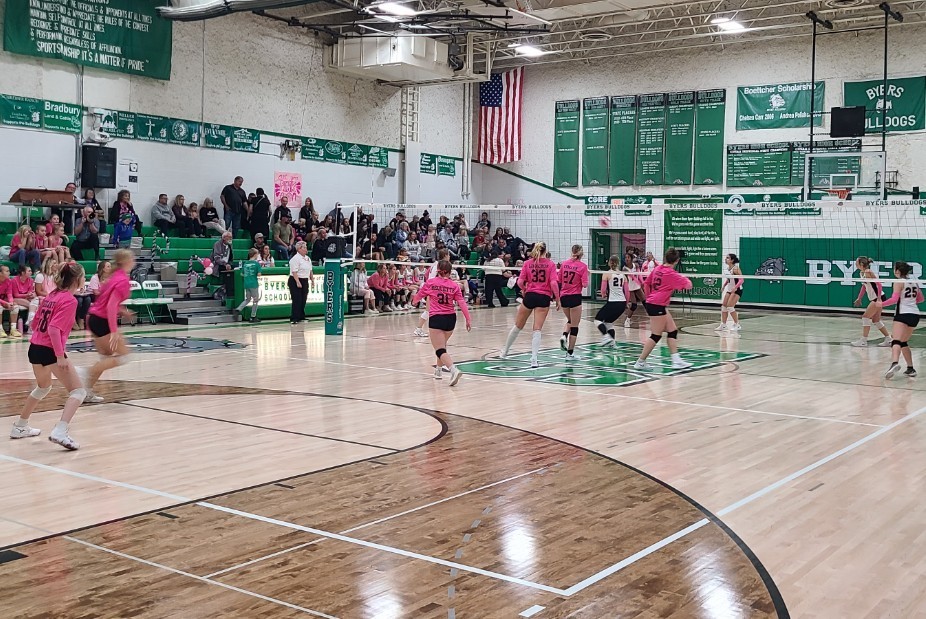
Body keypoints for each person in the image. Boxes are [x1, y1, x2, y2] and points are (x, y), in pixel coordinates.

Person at [9, 261, 87, 450]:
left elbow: (35, 322)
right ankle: (60, 431)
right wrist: (60, 356)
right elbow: (53, 329)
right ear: (77, 279)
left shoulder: (51, 295)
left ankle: (20, 426)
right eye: (84, 277)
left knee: (43, 387)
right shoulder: (69, 300)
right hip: (50, 350)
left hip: (35, 346)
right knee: (78, 392)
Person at [77, 249, 136, 404]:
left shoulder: (114, 277)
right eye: (132, 258)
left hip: (94, 318)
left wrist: (123, 312)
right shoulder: (122, 280)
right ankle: (85, 372)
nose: (134, 261)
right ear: (125, 261)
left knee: (105, 359)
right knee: (124, 356)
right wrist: (114, 331)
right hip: (102, 320)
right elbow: (110, 306)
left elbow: (108, 301)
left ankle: (85, 392)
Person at [500, 242, 560, 368]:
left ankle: (505, 352)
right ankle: (534, 359)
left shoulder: (527, 263)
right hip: (544, 297)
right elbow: (554, 283)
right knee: (537, 329)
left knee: (518, 326)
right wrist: (558, 299)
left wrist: (524, 290)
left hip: (530, 296)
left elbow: (520, 282)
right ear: (545, 251)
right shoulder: (550, 264)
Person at [633, 248, 694, 371]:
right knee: (656, 335)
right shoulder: (672, 274)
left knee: (672, 331)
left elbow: (646, 283)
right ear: (677, 260)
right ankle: (640, 362)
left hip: (656, 303)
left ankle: (676, 360)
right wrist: (683, 277)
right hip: (657, 305)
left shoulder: (657, 269)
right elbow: (689, 285)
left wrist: (649, 297)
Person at [413, 259, 471, 386]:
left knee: (439, 349)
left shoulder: (430, 283)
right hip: (451, 319)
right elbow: (461, 303)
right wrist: (468, 319)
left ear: (438, 270)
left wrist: (414, 301)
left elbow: (419, 295)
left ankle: (453, 370)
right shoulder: (454, 285)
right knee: (442, 346)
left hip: (437, 318)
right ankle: (438, 371)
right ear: (450, 272)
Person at [882, 261, 923, 379]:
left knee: (896, 341)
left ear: (898, 271)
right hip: (915, 314)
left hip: (903, 314)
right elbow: (920, 299)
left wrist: (881, 304)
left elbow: (894, 299)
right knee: (903, 342)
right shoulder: (914, 282)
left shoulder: (899, 281)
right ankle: (910, 368)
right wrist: (910, 302)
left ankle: (894, 363)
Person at [851, 256, 892, 348]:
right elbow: (864, 286)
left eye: (857, 262)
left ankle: (863, 341)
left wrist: (878, 298)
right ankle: (889, 339)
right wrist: (859, 298)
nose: (855, 263)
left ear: (861, 264)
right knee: (876, 320)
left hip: (878, 297)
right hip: (876, 298)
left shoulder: (868, 272)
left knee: (865, 317)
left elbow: (879, 284)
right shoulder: (861, 273)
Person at [558, 244, 590, 360]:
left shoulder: (564, 264)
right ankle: (570, 353)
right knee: (575, 326)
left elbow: (559, 280)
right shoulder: (583, 266)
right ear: (582, 254)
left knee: (570, 321)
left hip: (564, 296)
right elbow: (585, 285)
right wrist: (586, 276)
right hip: (575, 297)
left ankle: (564, 335)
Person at [595, 255, 629, 347]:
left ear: (609, 263)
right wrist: (626, 304)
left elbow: (603, 289)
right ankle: (612, 343)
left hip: (613, 302)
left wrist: (603, 294)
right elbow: (627, 292)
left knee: (597, 320)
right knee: (608, 322)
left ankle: (606, 337)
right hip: (622, 303)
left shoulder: (607, 274)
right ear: (618, 263)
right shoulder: (623, 275)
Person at [716, 254, 745, 333]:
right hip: (730, 290)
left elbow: (741, 280)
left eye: (728, 258)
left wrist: (735, 287)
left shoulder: (736, 268)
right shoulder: (727, 269)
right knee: (724, 307)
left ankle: (737, 324)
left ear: (732, 260)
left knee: (730, 307)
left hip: (737, 290)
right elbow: (729, 279)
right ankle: (723, 324)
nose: (726, 259)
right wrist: (724, 286)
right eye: (726, 258)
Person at [287, 241, 312, 324]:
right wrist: (297, 281)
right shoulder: (295, 259)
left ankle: (301, 316)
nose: (306, 249)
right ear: (299, 249)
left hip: (305, 279)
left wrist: (312, 279)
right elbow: (294, 271)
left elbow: (310, 270)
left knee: (303, 299)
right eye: (304, 247)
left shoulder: (308, 258)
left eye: (306, 247)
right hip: (295, 280)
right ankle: (294, 317)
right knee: (297, 299)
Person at [234, 248, 262, 323]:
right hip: (253, 283)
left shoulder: (246, 263)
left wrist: (248, 276)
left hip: (246, 284)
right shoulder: (256, 264)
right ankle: (253, 316)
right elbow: (259, 274)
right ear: (255, 254)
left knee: (248, 299)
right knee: (255, 300)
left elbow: (241, 273)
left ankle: (238, 309)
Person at [621, 253, 645, 328]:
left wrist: (642, 282)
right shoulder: (624, 268)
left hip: (637, 286)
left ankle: (654, 318)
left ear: (631, 258)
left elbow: (639, 275)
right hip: (630, 287)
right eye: (625, 257)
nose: (626, 259)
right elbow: (632, 276)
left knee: (645, 302)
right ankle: (627, 320)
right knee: (634, 305)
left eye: (628, 257)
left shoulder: (636, 265)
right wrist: (639, 282)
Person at [10, 266, 36, 335]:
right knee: (32, 305)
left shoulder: (31, 280)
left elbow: (30, 292)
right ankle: (30, 326)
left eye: (31, 271)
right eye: (29, 271)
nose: (31, 272)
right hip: (14, 299)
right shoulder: (14, 280)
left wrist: (31, 295)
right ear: (23, 273)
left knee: (35, 303)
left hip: (25, 298)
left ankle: (31, 325)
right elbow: (15, 294)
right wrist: (27, 295)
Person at [0, 265, 23, 338]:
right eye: (7, 271)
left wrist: (11, 302)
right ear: (0, 273)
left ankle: (13, 329)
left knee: (15, 306)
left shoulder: (9, 281)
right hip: (2, 302)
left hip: (3, 301)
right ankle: (0, 330)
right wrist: (6, 303)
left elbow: (9, 294)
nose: (9, 273)